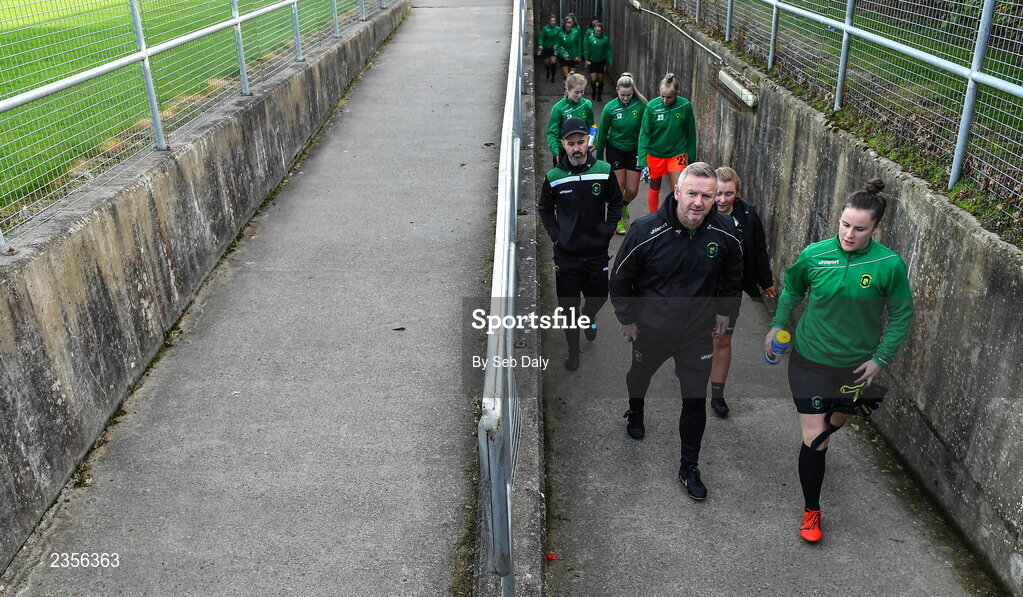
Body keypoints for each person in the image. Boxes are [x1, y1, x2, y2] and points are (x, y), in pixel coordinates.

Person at [765, 178, 914, 542]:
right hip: (810, 360)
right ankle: (812, 511)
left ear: (876, 228)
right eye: (845, 225)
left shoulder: (888, 265)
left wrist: (880, 359)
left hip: (857, 367)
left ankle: (822, 443)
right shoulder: (815, 254)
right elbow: (794, 287)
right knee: (815, 438)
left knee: (837, 420)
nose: (849, 234)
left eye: (859, 229)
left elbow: (902, 315)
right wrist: (778, 324)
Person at [609, 162, 743, 500]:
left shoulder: (725, 231)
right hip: (651, 331)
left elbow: (732, 276)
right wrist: (627, 319)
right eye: (693, 193)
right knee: (638, 377)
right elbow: (620, 279)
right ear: (678, 192)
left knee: (694, 402)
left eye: (707, 196)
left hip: (696, 335)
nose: (699, 202)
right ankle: (635, 409)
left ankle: (689, 467)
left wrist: (726, 314)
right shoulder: (645, 230)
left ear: (716, 198)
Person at [538, 118, 623, 370]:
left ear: (588, 142)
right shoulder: (553, 177)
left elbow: (616, 202)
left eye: (581, 142)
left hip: (596, 253)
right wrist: (556, 235)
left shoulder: (604, 171)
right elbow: (544, 208)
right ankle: (573, 351)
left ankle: (590, 314)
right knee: (567, 309)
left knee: (599, 297)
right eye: (571, 143)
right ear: (563, 144)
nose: (576, 148)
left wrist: (607, 231)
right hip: (566, 256)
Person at [707, 166, 777, 417]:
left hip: (730, 289)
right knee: (696, 337)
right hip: (699, 287)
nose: (722, 200)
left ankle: (717, 395)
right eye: (717, 194)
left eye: (728, 194)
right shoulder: (699, 211)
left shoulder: (748, 216)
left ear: (737, 193)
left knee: (722, 339)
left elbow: (758, 249)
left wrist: (766, 280)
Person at [637, 73, 697, 215]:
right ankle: (653, 216)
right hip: (655, 154)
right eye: (662, 96)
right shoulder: (652, 106)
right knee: (654, 187)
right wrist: (642, 160)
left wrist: (692, 159)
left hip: (676, 153)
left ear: (677, 93)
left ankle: (675, 217)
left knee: (678, 188)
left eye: (669, 97)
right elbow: (644, 133)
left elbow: (691, 133)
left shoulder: (685, 106)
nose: (665, 100)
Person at [595, 73, 646, 235]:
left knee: (632, 190)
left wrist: (646, 155)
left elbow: (646, 132)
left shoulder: (641, 106)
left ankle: (623, 205)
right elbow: (602, 133)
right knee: (619, 186)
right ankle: (616, 218)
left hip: (634, 151)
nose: (625, 97)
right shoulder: (610, 108)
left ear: (633, 92)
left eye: (629, 95)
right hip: (615, 150)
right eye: (622, 94)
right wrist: (599, 161)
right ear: (617, 90)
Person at [546, 72, 593, 167]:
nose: (579, 95)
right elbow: (551, 133)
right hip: (564, 151)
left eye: (582, 92)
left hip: (582, 150)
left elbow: (591, 126)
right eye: (576, 92)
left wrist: (593, 143)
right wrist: (556, 152)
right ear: (568, 90)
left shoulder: (587, 104)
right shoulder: (558, 108)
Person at [583, 22, 613, 101]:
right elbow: (587, 49)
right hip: (592, 62)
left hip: (601, 62)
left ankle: (599, 95)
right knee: (593, 79)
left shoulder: (605, 39)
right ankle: (594, 91)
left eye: (600, 31)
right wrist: (586, 59)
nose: (598, 32)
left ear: (602, 31)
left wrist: (610, 60)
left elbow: (608, 50)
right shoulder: (591, 38)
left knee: (600, 79)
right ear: (594, 30)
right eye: (597, 31)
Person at [556, 15, 583, 80]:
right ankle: (566, 89)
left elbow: (579, 45)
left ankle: (569, 89)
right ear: (564, 24)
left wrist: (578, 55)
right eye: (567, 22)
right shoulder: (560, 34)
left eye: (570, 22)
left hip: (574, 58)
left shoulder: (575, 32)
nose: (568, 24)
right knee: (567, 77)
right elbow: (558, 46)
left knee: (572, 77)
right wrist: (562, 55)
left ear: (572, 24)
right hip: (564, 58)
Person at [539, 15, 561, 83]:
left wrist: (557, 45)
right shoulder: (545, 29)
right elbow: (541, 37)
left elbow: (559, 38)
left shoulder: (558, 29)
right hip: (546, 48)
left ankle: (553, 77)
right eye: (551, 21)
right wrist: (540, 44)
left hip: (553, 48)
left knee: (553, 61)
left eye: (554, 21)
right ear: (549, 21)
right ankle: (548, 71)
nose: (552, 22)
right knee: (547, 62)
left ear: (555, 22)